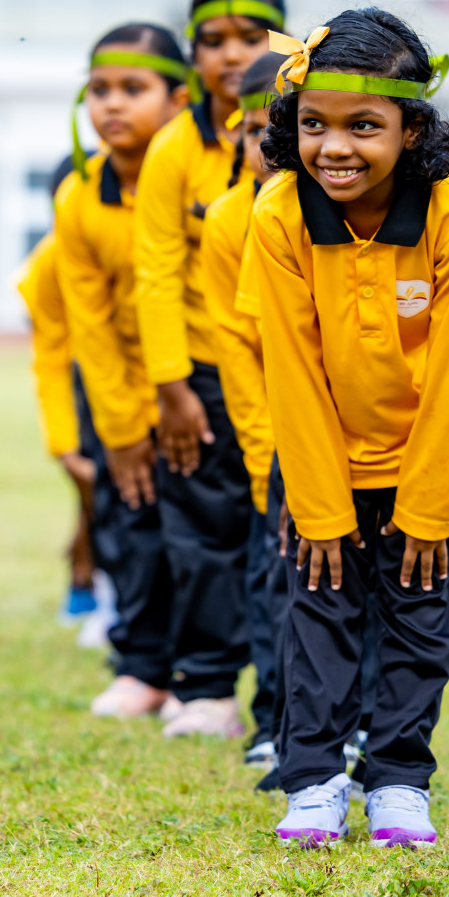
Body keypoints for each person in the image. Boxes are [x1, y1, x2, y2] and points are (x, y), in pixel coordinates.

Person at [253, 9, 449, 849]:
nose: (335, 148)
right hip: (320, 466)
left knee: (424, 623)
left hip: (426, 466)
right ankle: (312, 780)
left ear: (411, 128)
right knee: (315, 619)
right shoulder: (278, 214)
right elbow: (292, 370)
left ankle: (397, 781)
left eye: (364, 126)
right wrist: (319, 508)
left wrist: (428, 509)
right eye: (313, 125)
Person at [132, 0, 285, 738]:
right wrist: (172, 386)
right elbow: (155, 268)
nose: (231, 56)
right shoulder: (170, 151)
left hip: (283, 372)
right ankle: (208, 685)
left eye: (251, 38)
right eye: (213, 40)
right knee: (201, 534)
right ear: (191, 54)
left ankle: (291, 699)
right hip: (200, 376)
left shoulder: (313, 148)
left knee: (281, 533)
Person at [53, 24, 191, 717]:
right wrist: (122, 428)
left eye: (133, 90)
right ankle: (143, 667)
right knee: (131, 525)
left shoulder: (203, 174)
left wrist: (182, 398)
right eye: (99, 90)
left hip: (198, 391)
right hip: (127, 400)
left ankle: (202, 677)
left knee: (199, 533)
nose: (112, 106)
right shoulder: (78, 197)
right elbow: (90, 324)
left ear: (178, 98)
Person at [199, 52, 286, 770]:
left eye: (281, 129)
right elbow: (239, 356)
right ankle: (274, 719)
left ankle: (360, 725)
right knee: (275, 580)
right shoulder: (230, 222)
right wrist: (268, 465)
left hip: (359, 447)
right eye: (253, 131)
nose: (267, 148)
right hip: (276, 450)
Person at [16, 233, 114, 645]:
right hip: (85, 378)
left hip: (132, 375)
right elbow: (49, 355)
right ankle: (87, 585)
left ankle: (89, 581)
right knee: (96, 489)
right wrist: (64, 447)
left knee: (115, 494)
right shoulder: (50, 262)